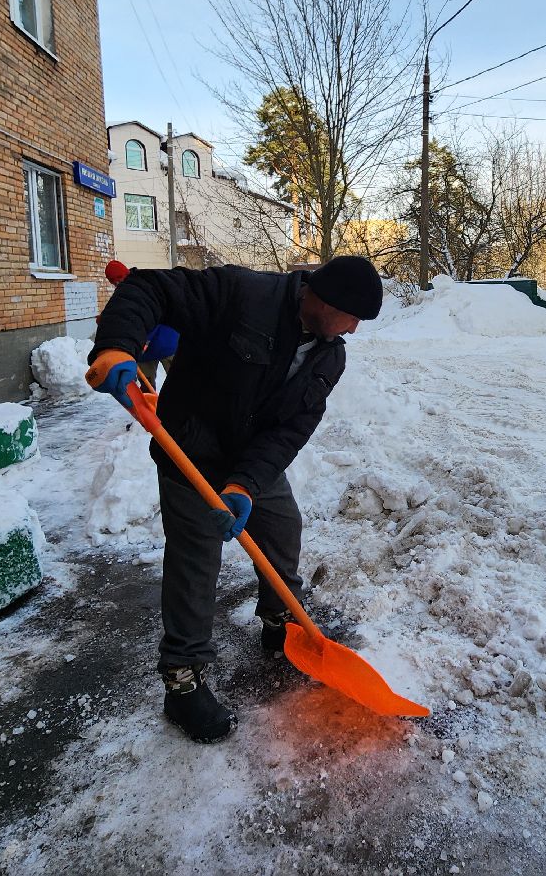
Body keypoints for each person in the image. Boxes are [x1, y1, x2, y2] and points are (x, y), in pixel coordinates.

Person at [85, 255, 383, 743]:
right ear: (325, 300)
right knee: (196, 559)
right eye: (352, 317)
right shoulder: (241, 293)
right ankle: (182, 678)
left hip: (249, 462)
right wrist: (117, 346)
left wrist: (245, 484)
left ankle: (279, 620)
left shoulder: (330, 356)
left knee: (282, 527)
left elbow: (290, 431)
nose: (353, 329)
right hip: (190, 450)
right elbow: (148, 288)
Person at [104, 260, 180, 386]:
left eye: (119, 278)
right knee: (147, 387)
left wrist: (144, 340)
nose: (116, 283)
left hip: (166, 342)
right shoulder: (121, 295)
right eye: (112, 281)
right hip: (145, 352)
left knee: (180, 384)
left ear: (126, 273)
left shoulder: (146, 284)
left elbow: (158, 313)